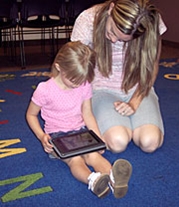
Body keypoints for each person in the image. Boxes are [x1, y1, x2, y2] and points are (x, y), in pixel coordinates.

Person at [26, 41, 132, 199]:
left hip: (81, 132)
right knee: (75, 160)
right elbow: (30, 115)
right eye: (73, 80)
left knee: (94, 155)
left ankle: (114, 179)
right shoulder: (45, 90)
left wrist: (98, 137)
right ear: (59, 67)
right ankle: (93, 180)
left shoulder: (84, 84)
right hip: (57, 136)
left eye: (81, 80)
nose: (77, 85)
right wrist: (42, 137)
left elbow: (87, 112)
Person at [71, 0, 167, 153]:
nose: (114, 40)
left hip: (138, 87)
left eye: (123, 40)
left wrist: (135, 102)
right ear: (111, 9)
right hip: (101, 89)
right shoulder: (87, 19)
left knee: (150, 142)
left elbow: (152, 65)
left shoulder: (149, 20)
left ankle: (132, 123)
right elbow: (74, 66)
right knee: (118, 142)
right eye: (112, 31)